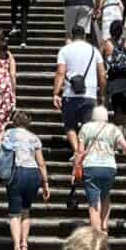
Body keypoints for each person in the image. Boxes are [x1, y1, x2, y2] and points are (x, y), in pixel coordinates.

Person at [78, 105, 126, 237]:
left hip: (91, 167)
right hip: (109, 168)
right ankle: (104, 225)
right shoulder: (113, 129)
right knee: (105, 195)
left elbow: (81, 151)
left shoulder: (86, 128)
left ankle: (97, 234)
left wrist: (75, 167)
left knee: (94, 204)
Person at [53, 25, 106, 163]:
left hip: (70, 94)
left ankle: (77, 150)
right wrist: (102, 93)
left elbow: (60, 73)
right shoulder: (94, 51)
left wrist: (56, 93)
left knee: (70, 125)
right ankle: (84, 152)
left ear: (72, 35)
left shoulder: (64, 50)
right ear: (84, 36)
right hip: (90, 94)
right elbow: (102, 74)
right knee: (87, 125)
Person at [0, 110, 50, 250]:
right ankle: (24, 244)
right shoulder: (34, 138)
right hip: (33, 173)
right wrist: (45, 182)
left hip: (16, 172)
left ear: (14, 121)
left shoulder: (8, 133)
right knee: (26, 210)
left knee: (15, 213)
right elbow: (41, 163)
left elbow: (1, 151)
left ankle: (16, 246)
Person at [102, 20, 126, 126]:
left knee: (116, 106)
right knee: (125, 106)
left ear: (111, 31)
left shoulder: (107, 44)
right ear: (121, 31)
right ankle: (123, 126)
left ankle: (119, 128)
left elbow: (101, 61)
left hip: (114, 80)